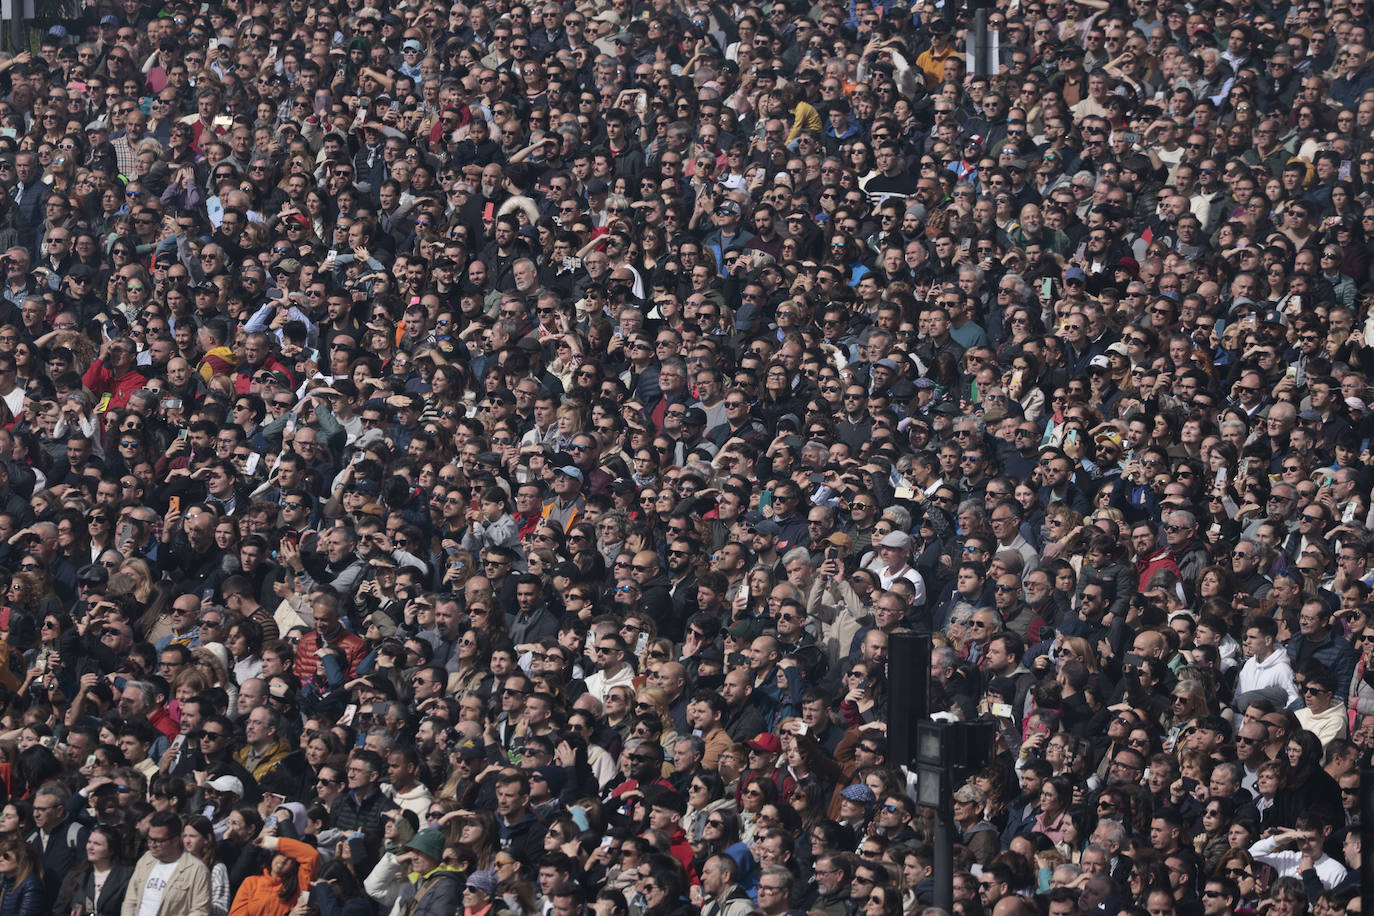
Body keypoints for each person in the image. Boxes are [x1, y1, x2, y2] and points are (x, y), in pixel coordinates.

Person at [121, 811, 211, 916]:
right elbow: (131, 900)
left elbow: (200, 911)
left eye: (158, 841)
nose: (152, 845)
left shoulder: (197, 870)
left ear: (176, 840)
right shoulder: (145, 860)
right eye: (150, 839)